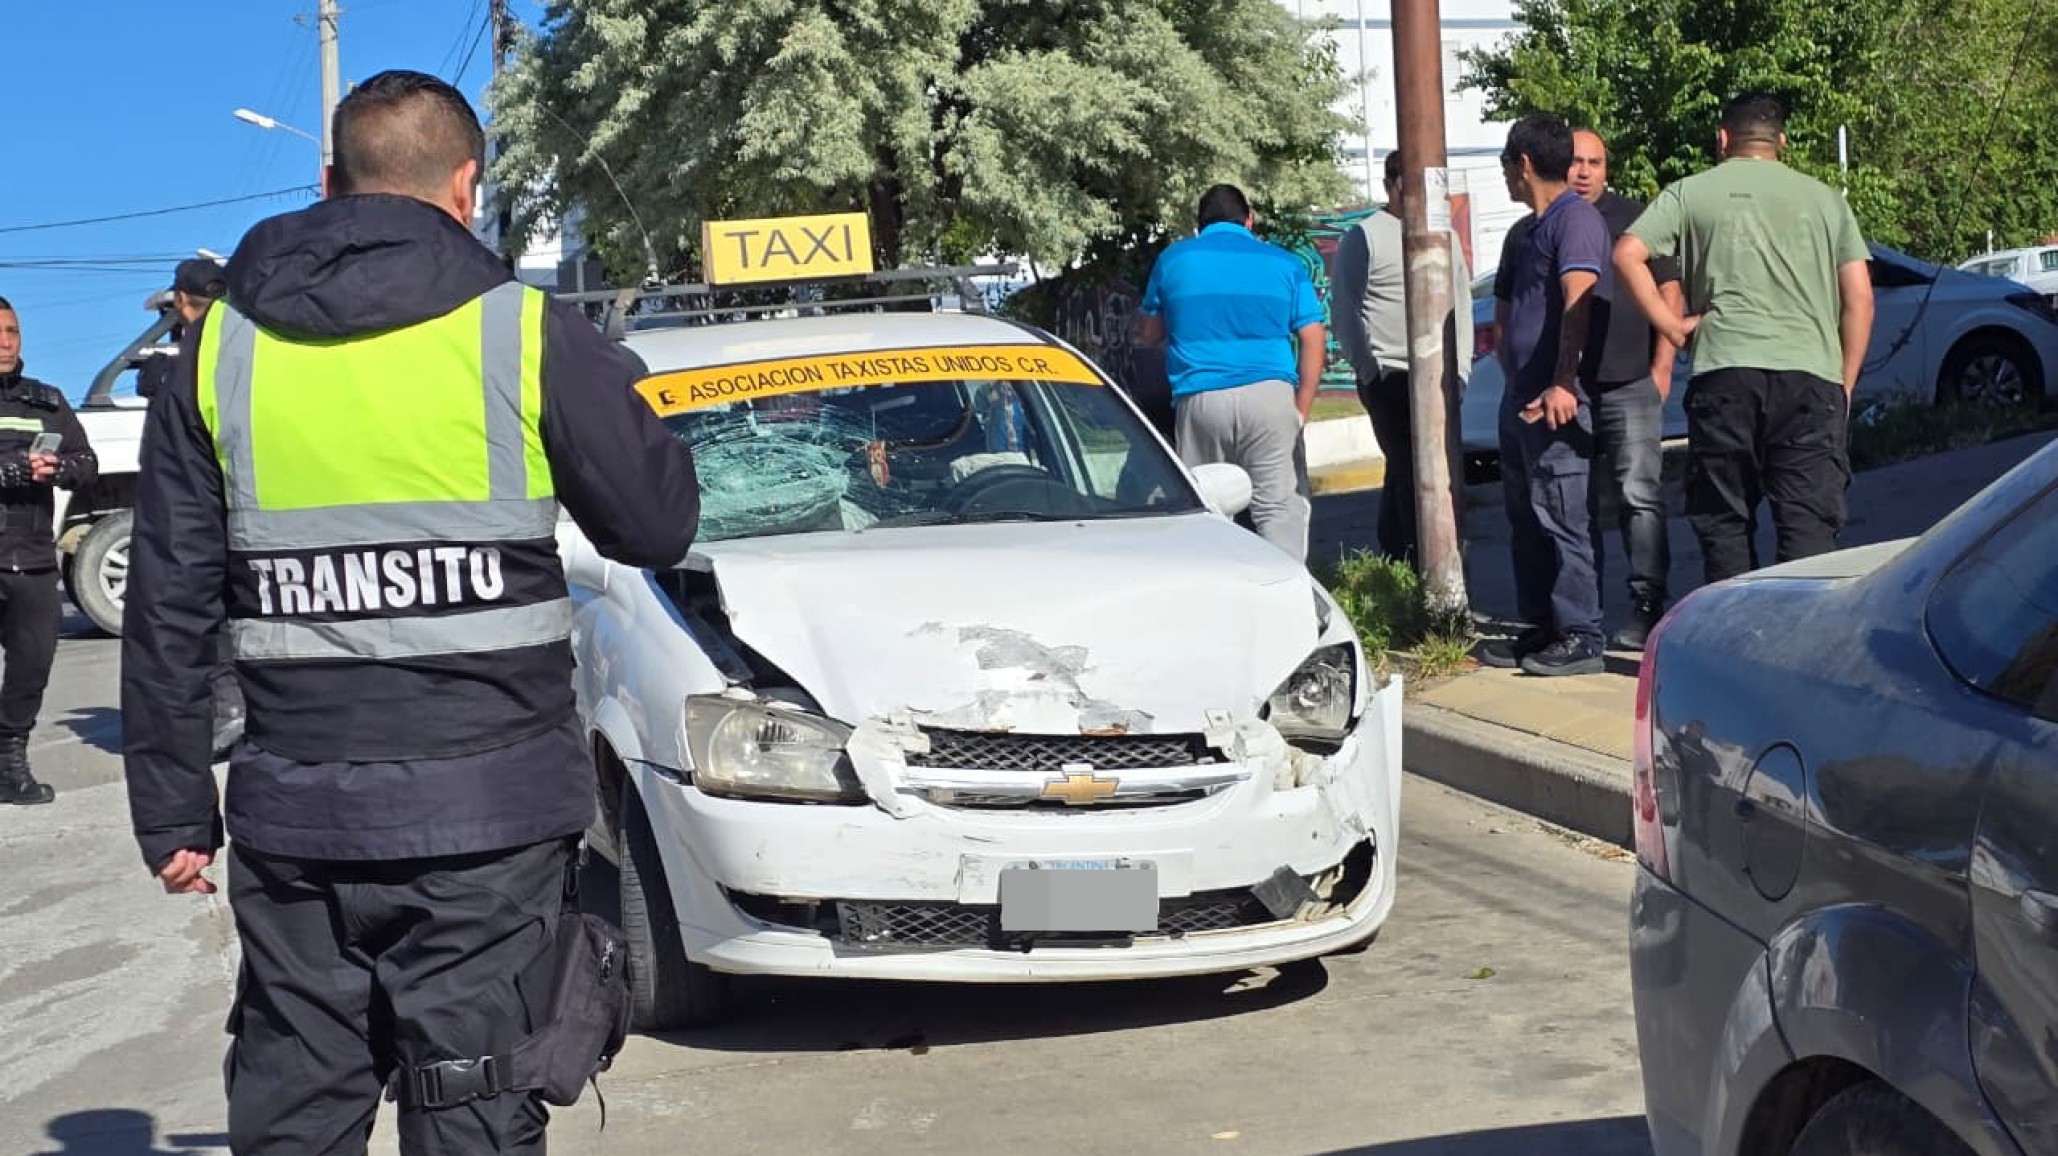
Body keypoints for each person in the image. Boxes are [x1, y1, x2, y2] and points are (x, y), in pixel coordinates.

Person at [120, 70, 701, 1154]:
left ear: (332, 182)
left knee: (298, 1110)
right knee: (474, 1105)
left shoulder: (222, 352)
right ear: (467, 186)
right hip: (490, 822)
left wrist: (171, 807)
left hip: (298, 828)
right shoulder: (523, 334)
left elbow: (168, 600)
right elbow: (656, 524)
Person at [1615, 91, 1873, 583]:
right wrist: (1844, 382)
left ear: (1723, 138)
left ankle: (1734, 641)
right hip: (1810, 375)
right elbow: (1860, 298)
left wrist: (1670, 327)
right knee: (1807, 524)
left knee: (1725, 523)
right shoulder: (1824, 199)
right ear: (1782, 142)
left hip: (1724, 372)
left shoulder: (1688, 193)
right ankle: (1803, 642)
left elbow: (1627, 253)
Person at [1482, 113, 1611, 677]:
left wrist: (1563, 381)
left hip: (1557, 400)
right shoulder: (1526, 231)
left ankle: (1582, 634)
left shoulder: (1575, 220)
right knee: (1526, 516)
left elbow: (1577, 304)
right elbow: (1510, 306)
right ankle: (1543, 625)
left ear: (1525, 164)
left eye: (1508, 166)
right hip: (1522, 400)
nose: (1507, 178)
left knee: (1564, 514)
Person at [1135, 184, 1326, 561]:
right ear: (1249, 220)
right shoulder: (1284, 263)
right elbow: (1313, 336)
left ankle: (1216, 596)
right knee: (1277, 510)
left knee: (1208, 509)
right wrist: (1300, 408)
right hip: (1270, 398)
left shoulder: (1174, 260)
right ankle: (1284, 600)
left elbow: (1150, 333)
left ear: (1198, 227)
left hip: (1201, 399)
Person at [1568, 129, 1686, 650]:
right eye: (1575, 162)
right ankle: (1576, 617)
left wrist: (1663, 364)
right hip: (1567, 389)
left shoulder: (1635, 220)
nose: (1584, 171)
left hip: (1630, 383)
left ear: (1607, 168)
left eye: (1594, 162)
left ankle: (1646, 607)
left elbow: (1669, 291)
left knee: (1639, 498)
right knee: (1571, 504)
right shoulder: (1543, 222)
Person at [1328, 150, 1473, 570]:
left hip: (1440, 376)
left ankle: (1398, 562)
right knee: (1410, 472)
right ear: (1391, 185)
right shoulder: (1365, 235)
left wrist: (1461, 369)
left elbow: (1460, 300)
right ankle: (1416, 566)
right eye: (1409, 185)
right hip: (1390, 375)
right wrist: (1368, 369)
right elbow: (1345, 308)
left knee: (1419, 473)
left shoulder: (1441, 233)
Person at [136, 258, 248, 755]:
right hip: (251, 506)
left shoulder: (170, 368)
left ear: (181, 303)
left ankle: (227, 709)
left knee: (204, 618)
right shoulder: (249, 358)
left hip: (195, 512)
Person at [0, 299, 97, 805]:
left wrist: (60, 469)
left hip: (32, 559)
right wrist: (10, 470)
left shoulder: (46, 400)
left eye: (12, 330)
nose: (6, 341)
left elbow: (87, 462)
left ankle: (8, 765)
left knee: (30, 669)